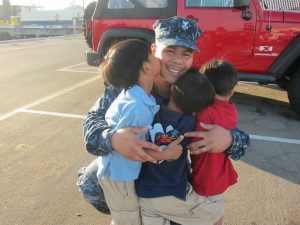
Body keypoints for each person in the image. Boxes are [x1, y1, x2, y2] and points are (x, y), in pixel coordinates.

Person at [77, 16, 250, 223]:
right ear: (153, 50)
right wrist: (112, 139)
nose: (178, 60)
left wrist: (229, 139)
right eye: (169, 51)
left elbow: (242, 141)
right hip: (128, 178)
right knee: (93, 179)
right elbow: (92, 123)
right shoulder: (130, 84)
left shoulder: (195, 88)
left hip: (164, 181)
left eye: (186, 54)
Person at [136, 68, 219, 225]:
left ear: (173, 88)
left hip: (144, 191)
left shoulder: (154, 106)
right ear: (197, 109)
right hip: (170, 192)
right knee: (214, 213)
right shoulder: (188, 123)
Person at [95, 39, 161, 225]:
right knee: (128, 219)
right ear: (147, 67)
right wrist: (166, 152)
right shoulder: (136, 109)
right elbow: (136, 150)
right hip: (119, 176)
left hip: (121, 173)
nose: (157, 55)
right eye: (152, 53)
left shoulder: (135, 96)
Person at [190, 59, 240, 225]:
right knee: (215, 207)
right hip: (219, 175)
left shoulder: (205, 112)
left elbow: (193, 142)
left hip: (206, 176)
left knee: (207, 214)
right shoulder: (231, 109)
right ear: (232, 91)